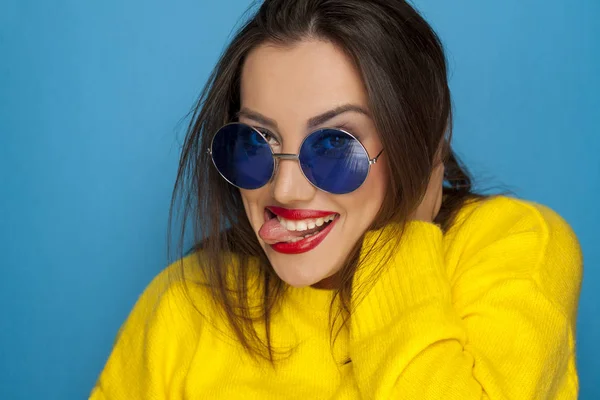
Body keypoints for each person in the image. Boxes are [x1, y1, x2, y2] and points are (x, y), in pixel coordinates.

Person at [90, 0, 583, 398]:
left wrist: (401, 235)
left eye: (334, 146)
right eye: (255, 144)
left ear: (424, 138)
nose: (284, 190)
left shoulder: (514, 247)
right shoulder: (186, 301)